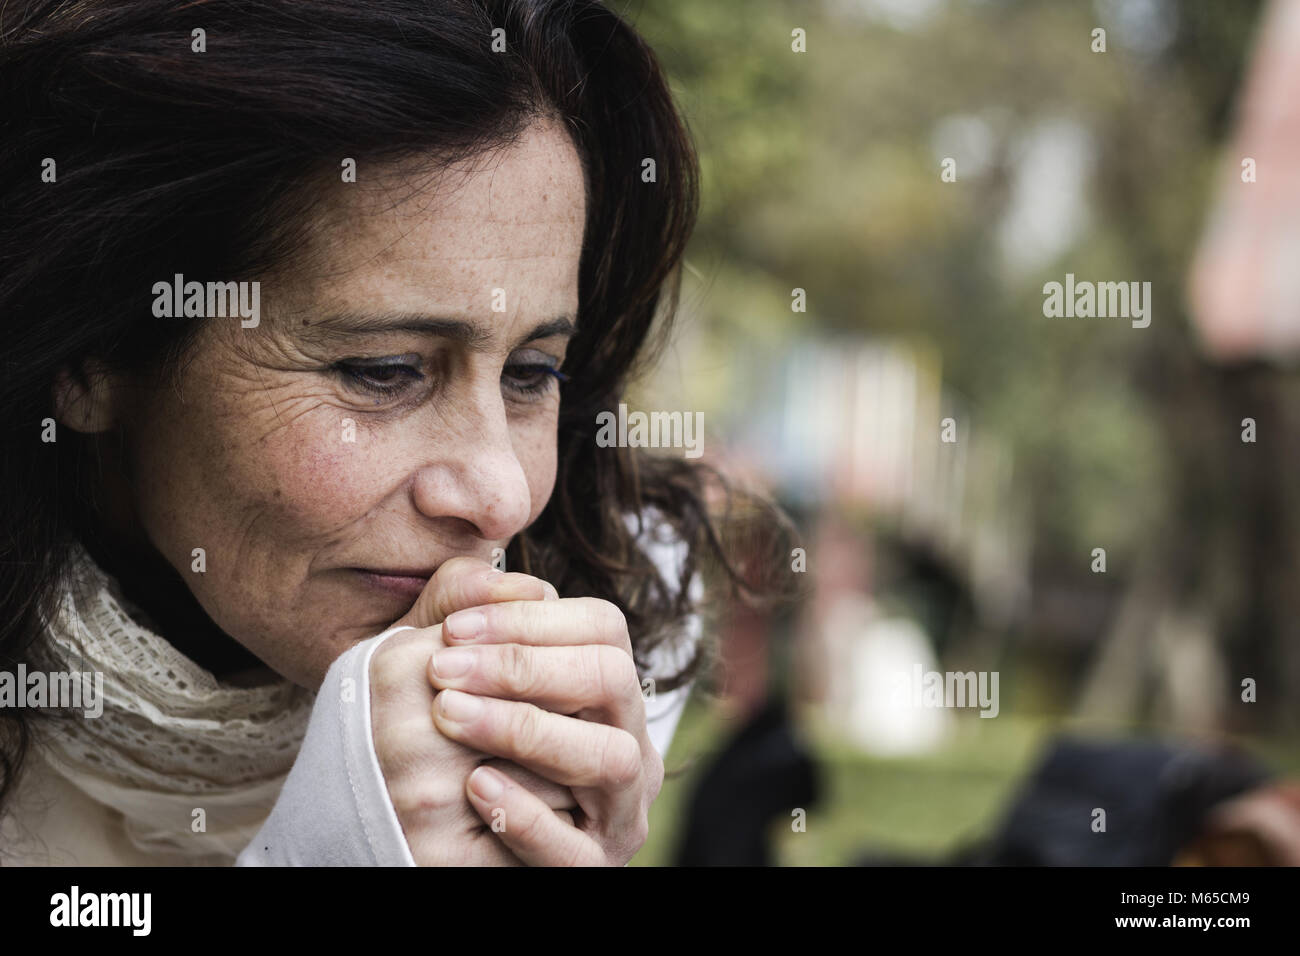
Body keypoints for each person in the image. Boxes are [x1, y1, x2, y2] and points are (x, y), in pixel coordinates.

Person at [0, 0, 786, 866]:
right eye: (383, 371)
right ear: (91, 359)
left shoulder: (609, 613)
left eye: (532, 373)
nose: (501, 498)